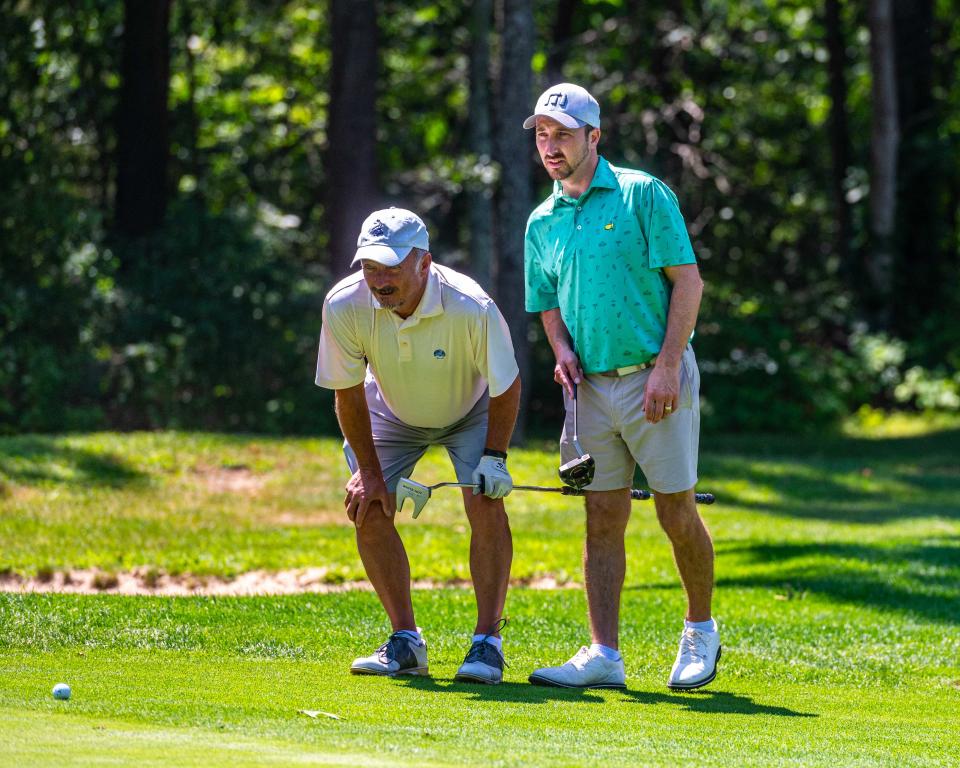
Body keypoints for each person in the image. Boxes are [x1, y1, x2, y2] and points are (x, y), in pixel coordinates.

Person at [521, 83, 719, 691]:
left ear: (593, 137)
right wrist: (560, 352)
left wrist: (666, 366)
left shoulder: (641, 193)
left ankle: (701, 630)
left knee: (675, 510)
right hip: (591, 392)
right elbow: (547, 302)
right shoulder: (542, 220)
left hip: (654, 378)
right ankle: (604, 654)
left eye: (562, 134)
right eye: (541, 135)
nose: (550, 147)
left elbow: (688, 285)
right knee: (601, 520)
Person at [315, 207, 521, 685]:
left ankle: (487, 642)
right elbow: (346, 390)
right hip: (390, 409)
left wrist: (495, 458)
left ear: (424, 262)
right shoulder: (344, 304)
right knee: (365, 504)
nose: (379, 279)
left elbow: (506, 385)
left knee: (485, 503)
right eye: (369, 266)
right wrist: (367, 472)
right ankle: (405, 641)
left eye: (391, 266)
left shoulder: (472, 305)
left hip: (471, 409)